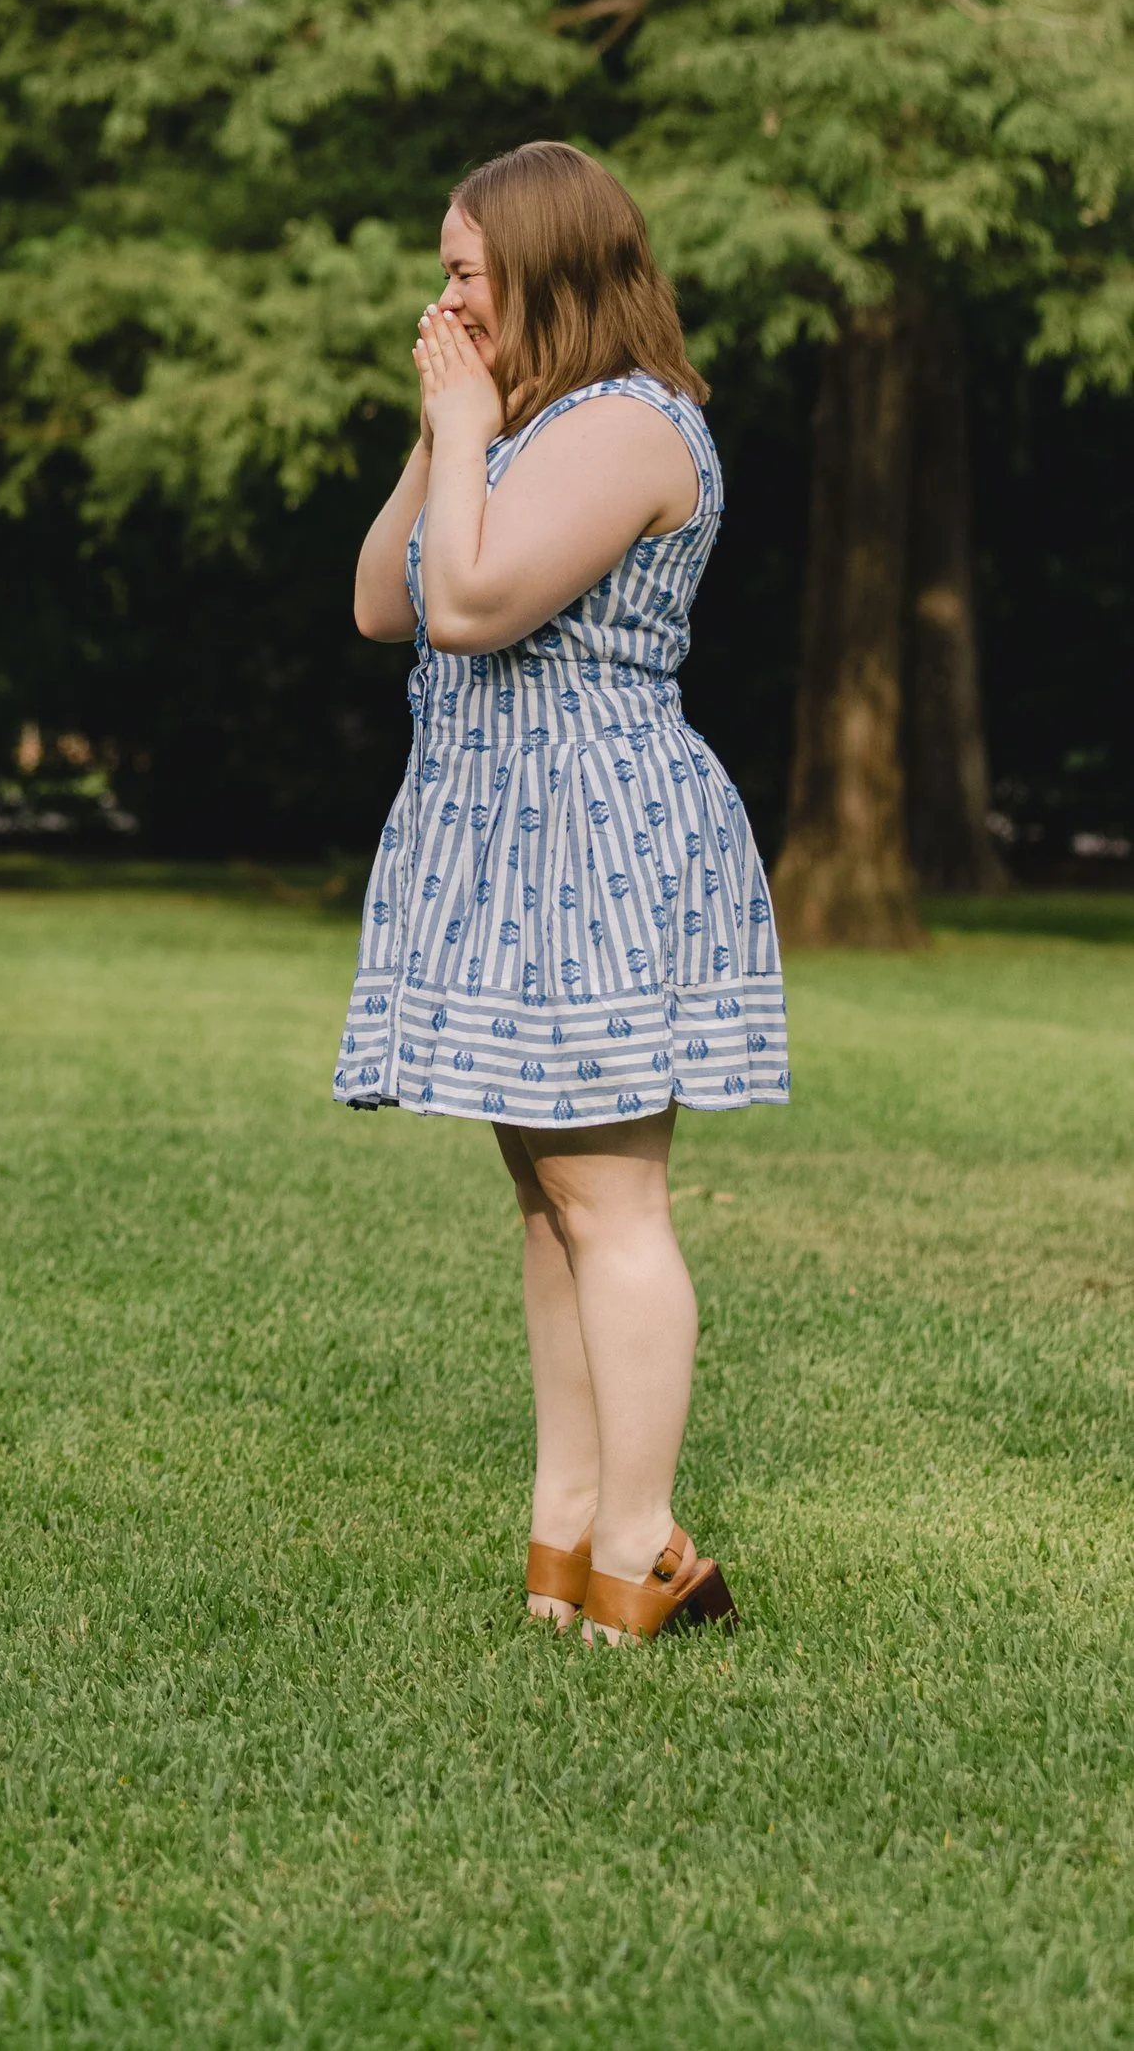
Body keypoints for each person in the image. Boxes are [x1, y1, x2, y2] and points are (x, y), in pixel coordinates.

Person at [334, 144, 787, 1645]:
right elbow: (385, 598)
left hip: (587, 833)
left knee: (611, 1200)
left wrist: (471, 421)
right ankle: (569, 1528)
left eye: (466, 268)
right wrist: (445, 426)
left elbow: (469, 605)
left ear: (547, 267)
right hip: (507, 831)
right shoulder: (521, 424)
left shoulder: (626, 424)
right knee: (549, 1203)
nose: (442, 293)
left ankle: (644, 1539)